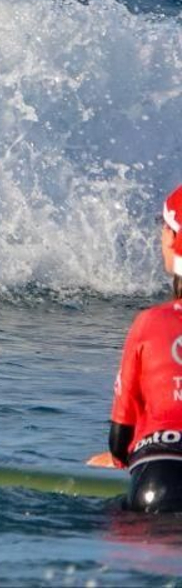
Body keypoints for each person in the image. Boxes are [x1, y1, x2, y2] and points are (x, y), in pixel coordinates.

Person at [108, 185, 182, 512]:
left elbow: (119, 440)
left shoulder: (149, 323)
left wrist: (119, 459)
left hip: (156, 479)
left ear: (172, 238)